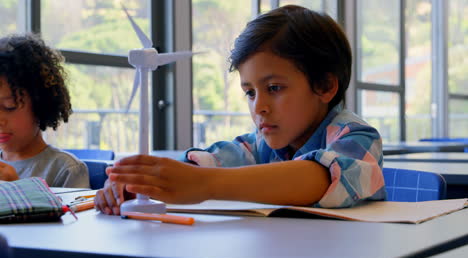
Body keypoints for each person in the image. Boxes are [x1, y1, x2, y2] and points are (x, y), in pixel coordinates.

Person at [95, 5, 386, 215]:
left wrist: (203, 184)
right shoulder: (259, 145)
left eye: (274, 88)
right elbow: (210, 161)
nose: (258, 106)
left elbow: (321, 177)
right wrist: (145, 184)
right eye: (249, 92)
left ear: (324, 86)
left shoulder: (358, 137)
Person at [0, 34, 89, 188]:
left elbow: (74, 213)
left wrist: (14, 191)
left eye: (10, 106)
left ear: (40, 104)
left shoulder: (66, 170)